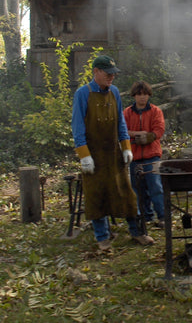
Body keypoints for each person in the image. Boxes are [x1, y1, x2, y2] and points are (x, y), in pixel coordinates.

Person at [71, 56, 154, 250]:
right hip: (93, 155)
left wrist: (126, 147)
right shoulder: (82, 94)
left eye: (113, 74)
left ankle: (137, 232)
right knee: (97, 195)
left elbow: (120, 122)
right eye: (108, 74)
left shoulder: (114, 92)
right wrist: (84, 155)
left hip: (113, 154)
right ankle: (103, 237)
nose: (111, 77)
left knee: (125, 193)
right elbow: (77, 127)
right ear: (96, 72)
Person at [124, 81, 165, 228]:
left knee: (156, 187)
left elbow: (159, 129)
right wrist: (137, 135)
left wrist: (150, 136)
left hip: (152, 156)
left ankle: (162, 217)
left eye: (145, 94)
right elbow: (122, 131)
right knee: (138, 189)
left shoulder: (155, 111)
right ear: (134, 95)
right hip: (134, 157)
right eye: (139, 94)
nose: (142, 97)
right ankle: (145, 217)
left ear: (149, 95)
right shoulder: (127, 113)